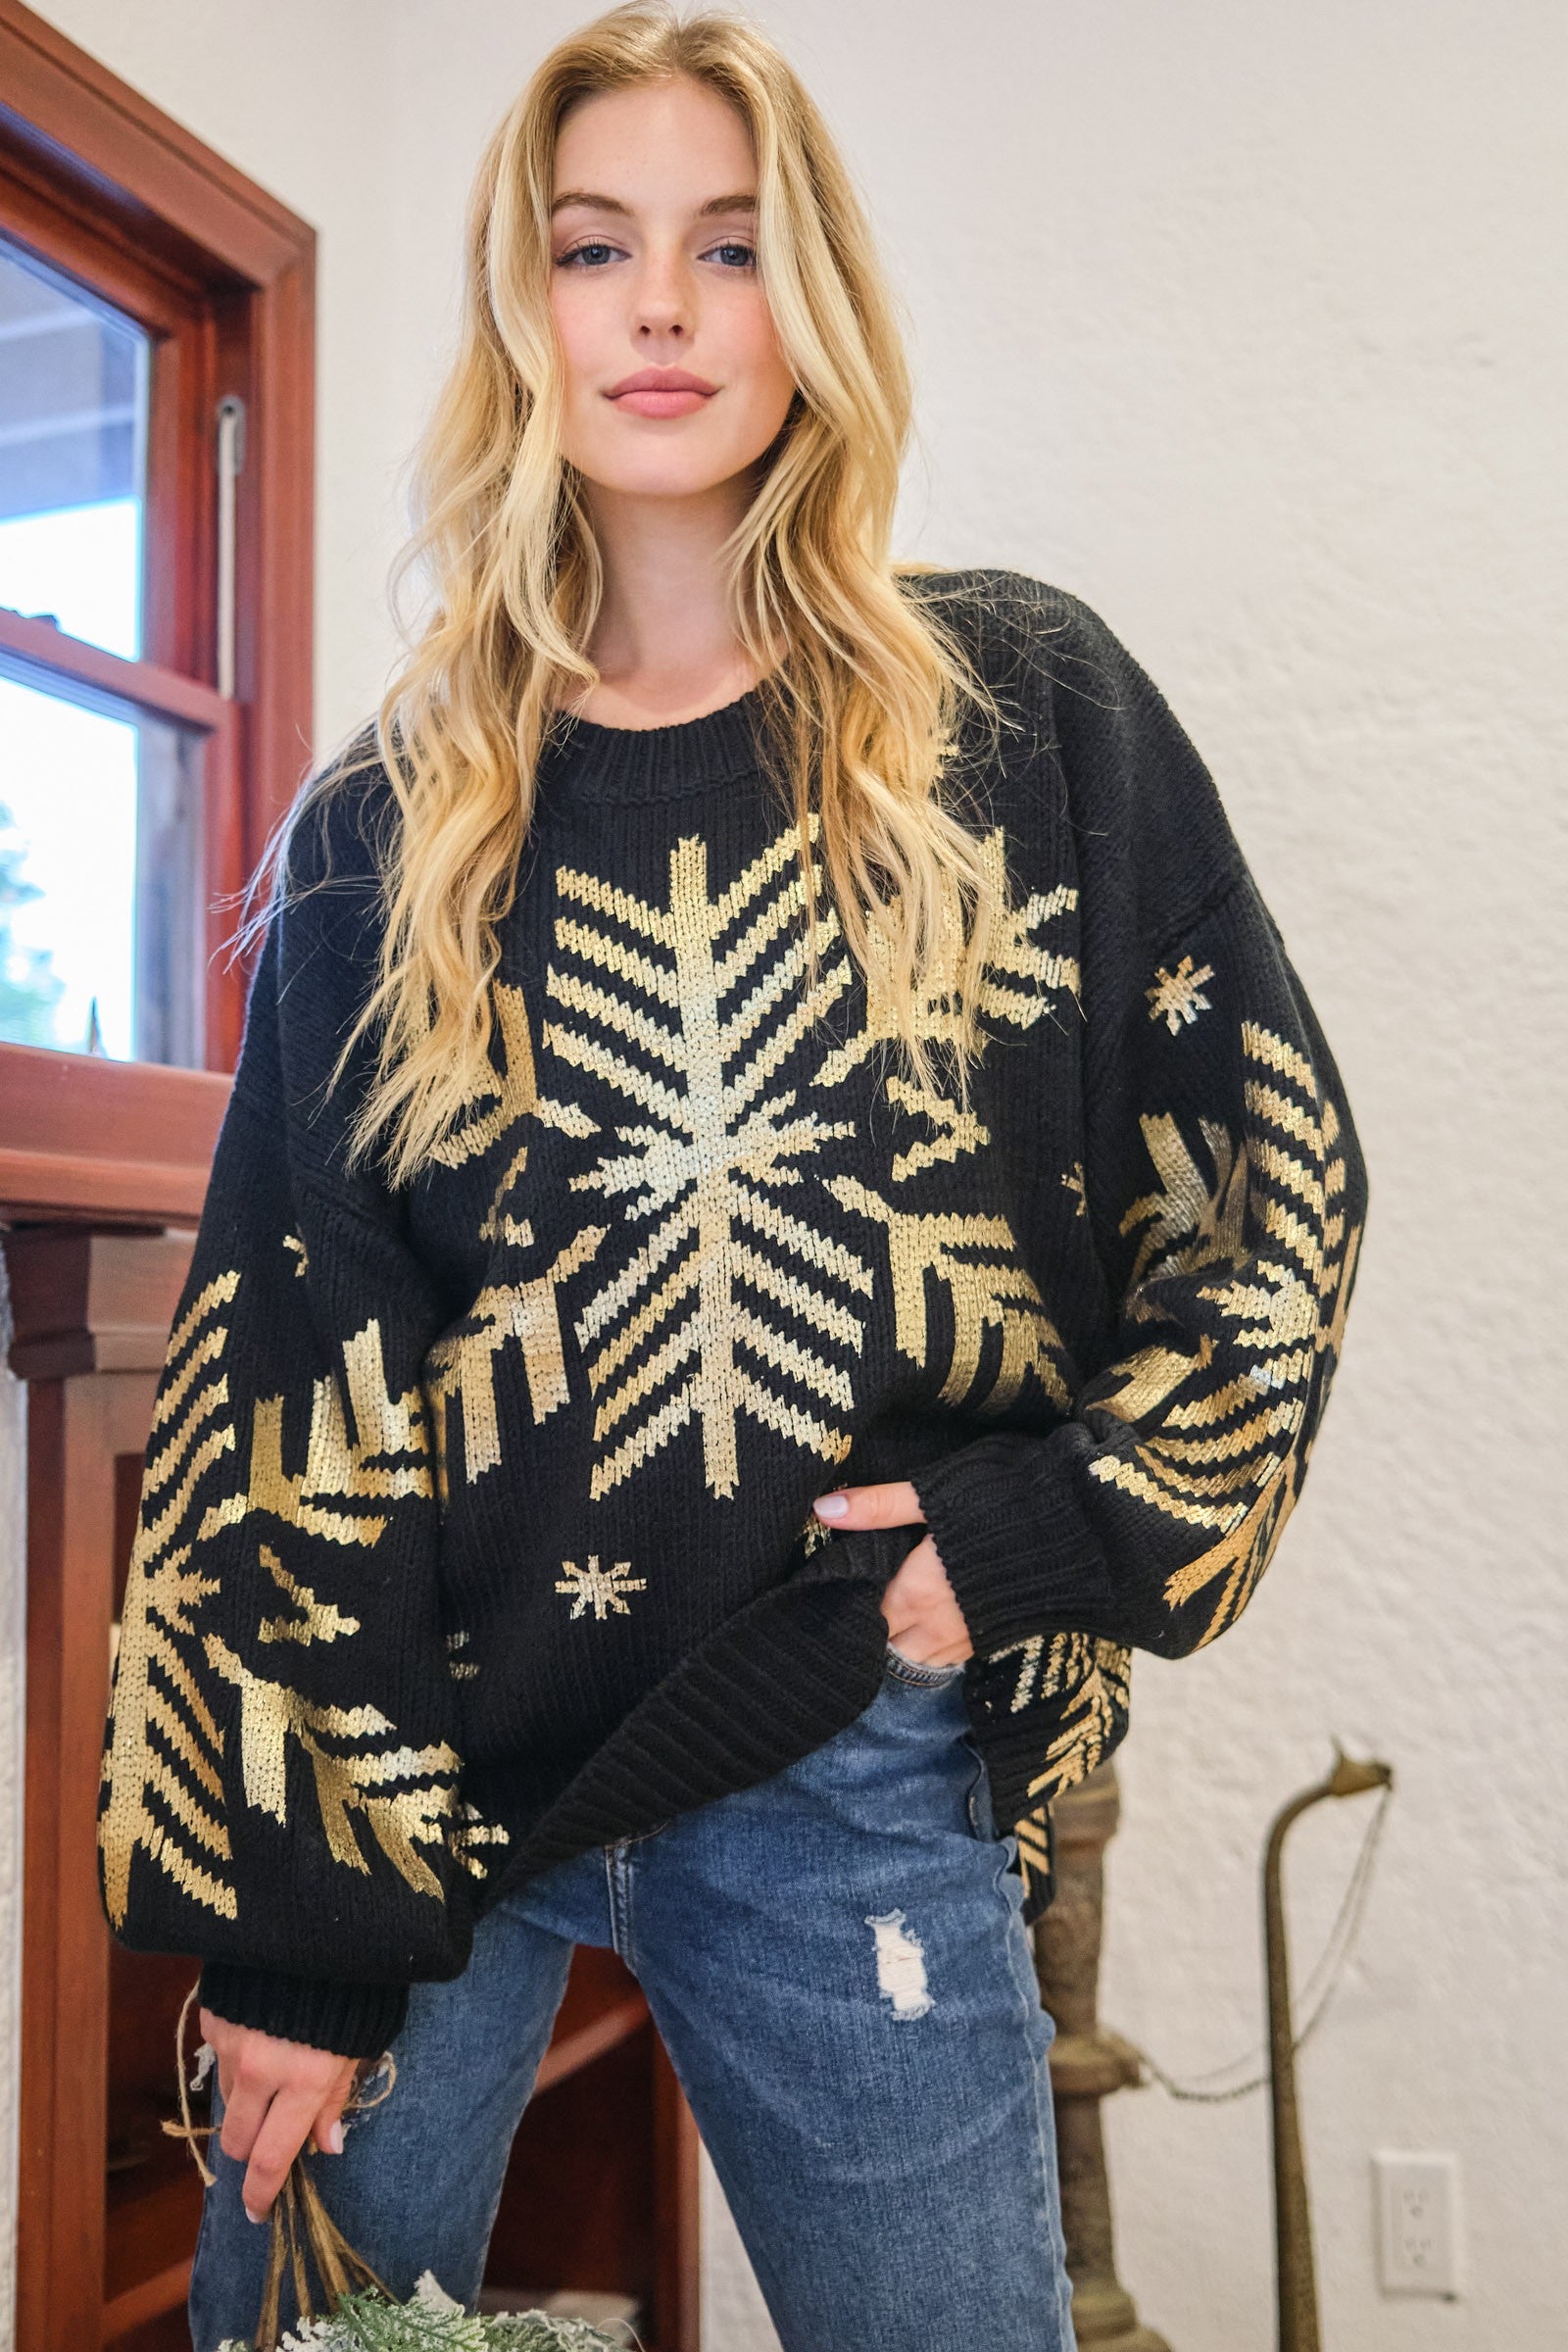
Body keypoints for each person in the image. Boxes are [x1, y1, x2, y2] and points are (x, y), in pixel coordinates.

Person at [95, 7, 1367, 2348]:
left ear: (816, 306)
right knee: (290, 2330)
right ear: (524, 308)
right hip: (430, 1793)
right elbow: (292, 1376)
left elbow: (1264, 1176)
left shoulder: (1020, 718)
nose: (659, 309)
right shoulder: (390, 830)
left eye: (727, 244)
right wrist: (293, 1919)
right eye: (593, 249)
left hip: (839, 1751)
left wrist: (1033, 1536)